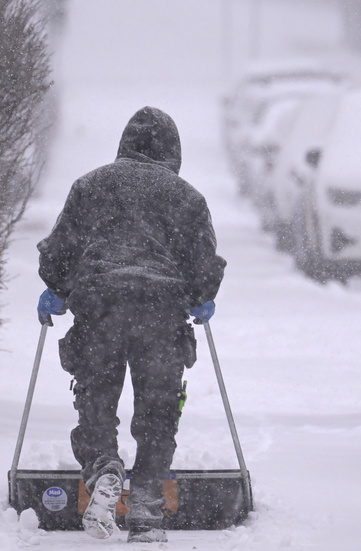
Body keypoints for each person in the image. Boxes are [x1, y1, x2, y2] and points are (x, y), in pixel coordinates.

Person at [36, 106, 226, 542]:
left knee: (96, 401)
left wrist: (57, 288)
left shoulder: (90, 186)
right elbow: (203, 267)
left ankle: (104, 468)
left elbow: (61, 250)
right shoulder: (187, 198)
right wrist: (202, 298)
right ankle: (144, 505)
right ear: (172, 152)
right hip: (160, 313)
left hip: (100, 307)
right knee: (158, 412)